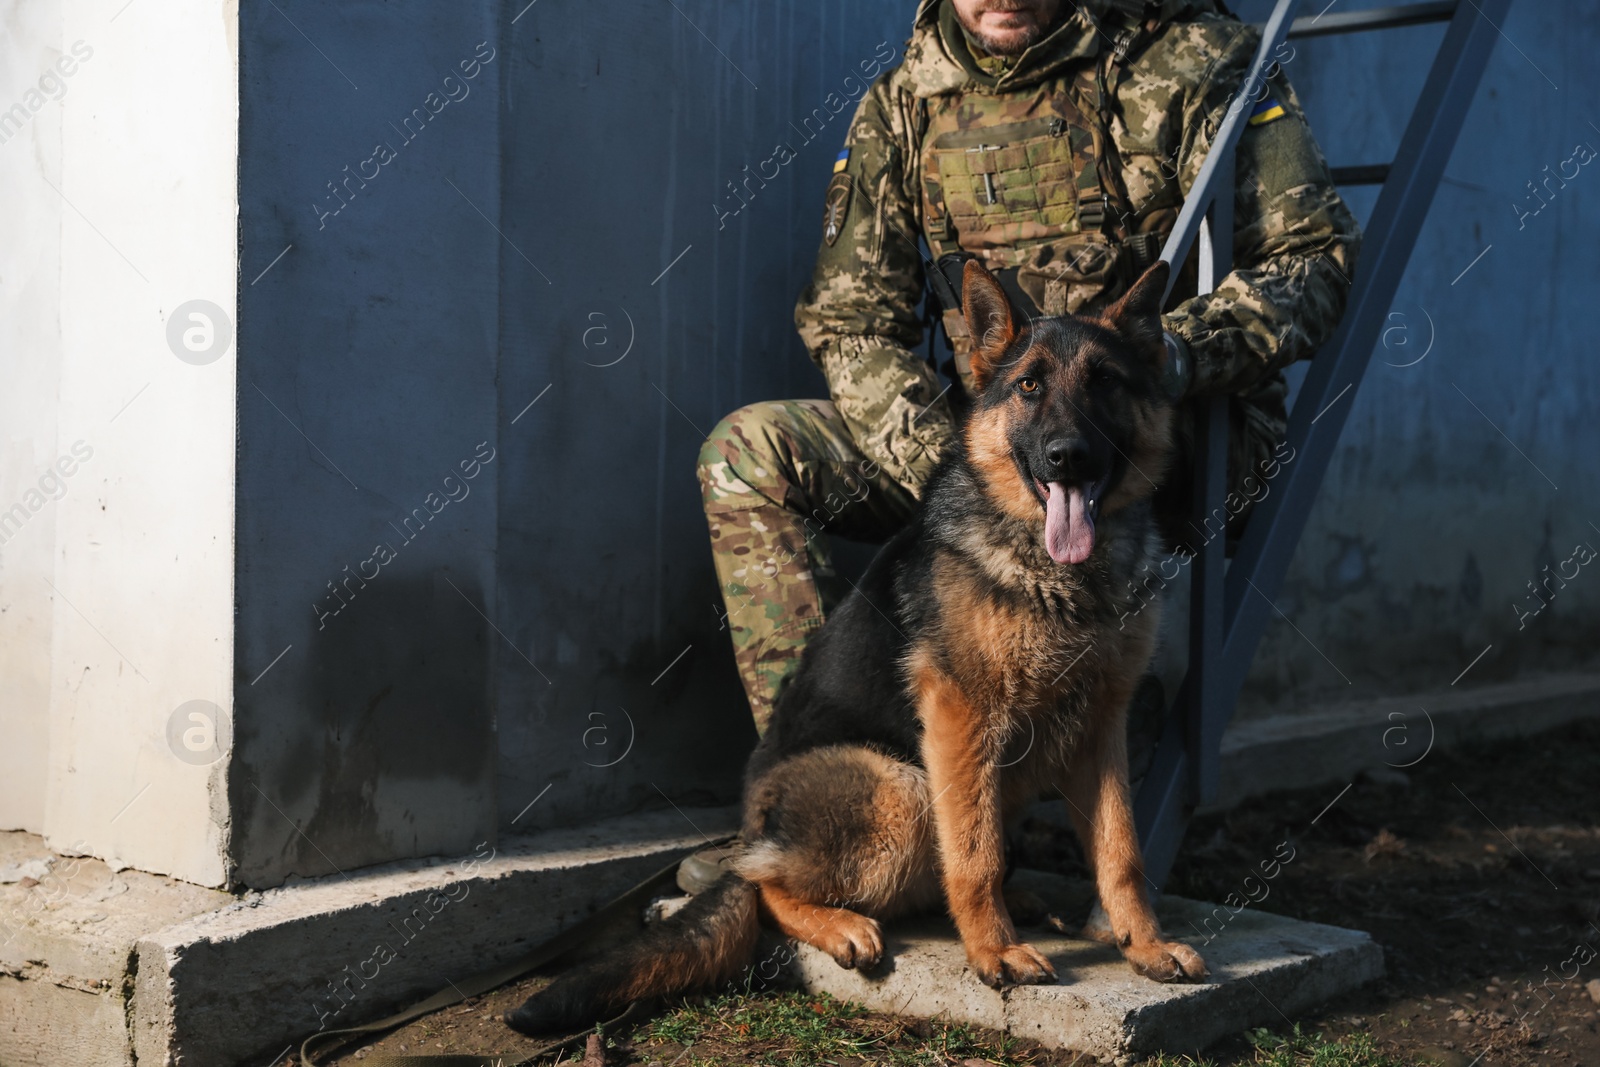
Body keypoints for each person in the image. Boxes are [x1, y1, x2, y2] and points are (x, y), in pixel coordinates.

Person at [697, 0, 1360, 747]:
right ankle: (819, 782)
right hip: (988, 451)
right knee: (749, 455)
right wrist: (945, 463)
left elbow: (1313, 259)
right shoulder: (905, 104)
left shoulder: (1194, 61)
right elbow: (851, 319)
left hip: (1166, 438)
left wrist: (1173, 353)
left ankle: (1072, 724)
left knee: (1084, 467)